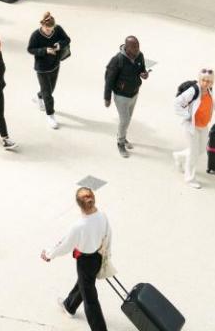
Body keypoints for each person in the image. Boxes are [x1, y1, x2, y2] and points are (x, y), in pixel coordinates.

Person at [40, 187, 111, 331]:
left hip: (85, 262)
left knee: (90, 301)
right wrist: (106, 255)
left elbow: (65, 245)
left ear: (78, 204)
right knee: (84, 283)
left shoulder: (78, 226)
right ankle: (69, 306)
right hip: (98, 257)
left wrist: (48, 255)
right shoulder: (103, 216)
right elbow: (109, 235)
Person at [172, 68, 215, 189]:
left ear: (213, 82)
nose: (206, 83)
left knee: (200, 150)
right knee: (194, 152)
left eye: (209, 81)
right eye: (203, 80)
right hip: (192, 126)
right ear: (199, 79)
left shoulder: (209, 91)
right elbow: (176, 103)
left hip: (203, 125)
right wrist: (188, 115)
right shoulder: (193, 90)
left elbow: (212, 102)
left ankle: (179, 156)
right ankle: (189, 178)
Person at [103, 36, 149, 158]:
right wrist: (107, 97)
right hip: (121, 96)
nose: (137, 49)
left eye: (138, 46)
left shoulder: (140, 55)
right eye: (134, 47)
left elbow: (142, 69)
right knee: (125, 120)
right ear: (127, 47)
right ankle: (120, 143)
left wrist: (144, 74)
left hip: (134, 94)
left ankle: (121, 135)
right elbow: (108, 80)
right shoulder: (117, 60)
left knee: (127, 119)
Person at [27, 12, 71, 130]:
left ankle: (38, 97)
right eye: (47, 29)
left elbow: (67, 39)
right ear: (42, 25)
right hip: (41, 68)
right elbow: (30, 49)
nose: (50, 31)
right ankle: (50, 115)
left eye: (51, 29)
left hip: (55, 64)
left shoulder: (57, 29)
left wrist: (59, 45)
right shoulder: (35, 35)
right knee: (48, 94)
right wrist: (44, 50)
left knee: (50, 89)